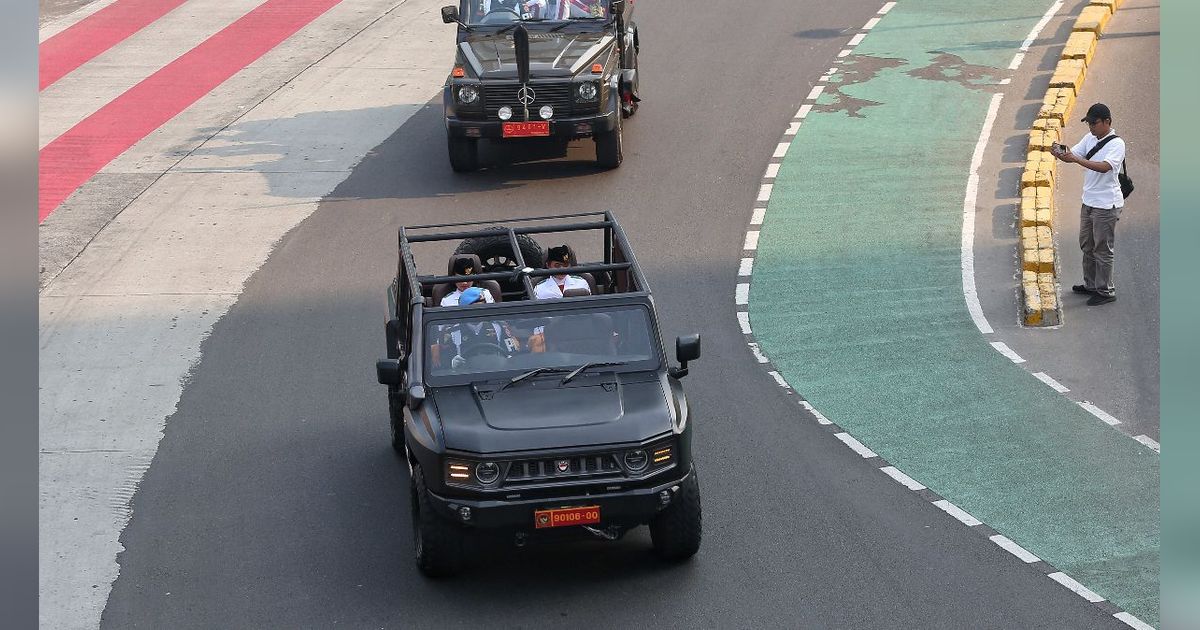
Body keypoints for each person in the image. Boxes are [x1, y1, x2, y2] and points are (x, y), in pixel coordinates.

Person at [1051, 102, 1126, 306]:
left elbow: (1104, 167)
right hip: (1089, 201)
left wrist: (1076, 159)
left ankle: (1105, 291)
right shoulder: (1090, 138)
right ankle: (1091, 284)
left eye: (1094, 123)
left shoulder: (1117, 144)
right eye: (1089, 123)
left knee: (1102, 249)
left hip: (1106, 204)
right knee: (1087, 245)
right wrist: (1060, 152)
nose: (1091, 127)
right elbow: (1072, 155)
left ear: (1107, 122)